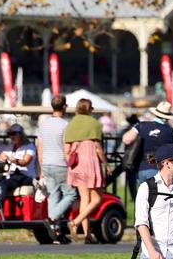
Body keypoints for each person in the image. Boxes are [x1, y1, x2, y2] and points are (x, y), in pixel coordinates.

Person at [64, 98, 106, 242]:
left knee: (85, 199)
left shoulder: (71, 124)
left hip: (77, 166)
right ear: (89, 109)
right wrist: (106, 164)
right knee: (96, 199)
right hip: (90, 164)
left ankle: (87, 234)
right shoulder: (95, 124)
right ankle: (75, 222)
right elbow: (99, 149)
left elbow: (67, 149)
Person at [36, 94, 76, 243]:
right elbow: (67, 148)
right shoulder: (66, 125)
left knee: (53, 195)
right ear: (64, 107)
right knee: (70, 194)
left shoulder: (43, 124)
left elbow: (39, 148)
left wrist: (41, 169)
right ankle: (52, 218)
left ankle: (55, 232)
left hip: (46, 163)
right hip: (60, 163)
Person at [124, 101, 173, 185]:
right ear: (167, 116)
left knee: (145, 196)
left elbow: (126, 139)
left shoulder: (141, 125)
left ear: (155, 113)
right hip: (161, 169)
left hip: (143, 167)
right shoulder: (171, 132)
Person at [0, 123, 35, 197]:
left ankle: (0, 207)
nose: (11, 136)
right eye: (9, 134)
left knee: (3, 184)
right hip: (11, 176)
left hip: (25, 176)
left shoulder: (29, 147)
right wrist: (0, 157)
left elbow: (25, 162)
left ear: (21, 134)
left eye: (14, 133)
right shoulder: (11, 146)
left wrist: (9, 158)